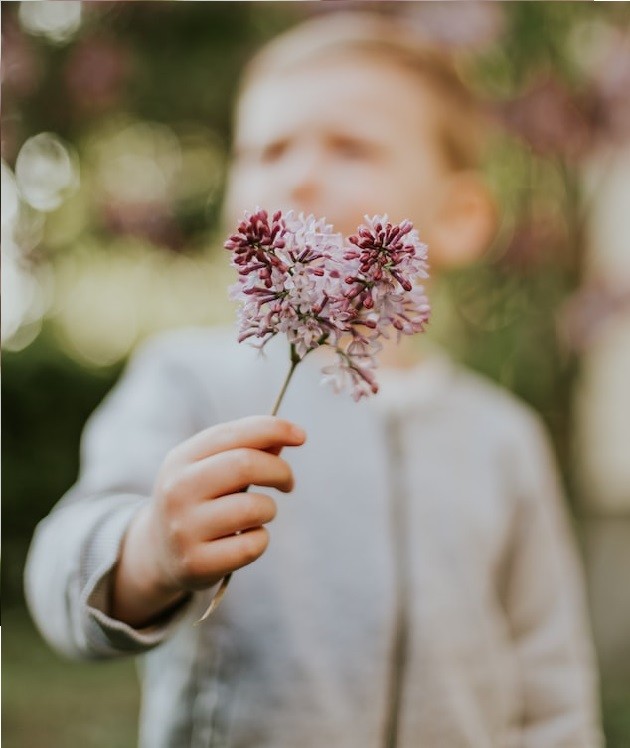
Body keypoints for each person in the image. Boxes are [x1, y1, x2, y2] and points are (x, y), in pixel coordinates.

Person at [25, 11, 603, 748]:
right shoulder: (188, 379)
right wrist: (145, 553)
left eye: (350, 147)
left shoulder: (504, 439)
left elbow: (550, 683)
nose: (297, 174)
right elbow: (61, 574)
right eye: (264, 150)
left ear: (458, 217)